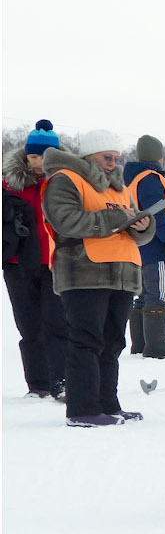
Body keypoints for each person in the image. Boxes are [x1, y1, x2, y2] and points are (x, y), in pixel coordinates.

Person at [43, 129, 154, 427]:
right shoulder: (65, 179)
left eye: (116, 158)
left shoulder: (118, 187)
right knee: (86, 342)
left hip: (122, 273)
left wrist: (142, 225)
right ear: (89, 155)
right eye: (107, 157)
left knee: (113, 342)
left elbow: (130, 228)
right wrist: (118, 220)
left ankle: (108, 405)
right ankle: (82, 409)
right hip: (84, 272)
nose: (112, 163)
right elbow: (64, 221)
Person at [5, 124, 65, 398]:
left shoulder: (65, 182)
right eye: (33, 157)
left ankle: (60, 381)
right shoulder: (9, 184)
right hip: (19, 264)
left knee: (57, 324)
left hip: (56, 263)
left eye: (45, 157)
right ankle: (38, 384)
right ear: (25, 157)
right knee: (29, 326)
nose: (39, 163)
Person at [124, 136, 165, 358]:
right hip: (156, 247)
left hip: (138, 247)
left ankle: (140, 345)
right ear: (159, 155)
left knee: (142, 295)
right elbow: (157, 214)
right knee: (158, 295)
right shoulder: (151, 178)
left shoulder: (132, 179)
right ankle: (156, 345)